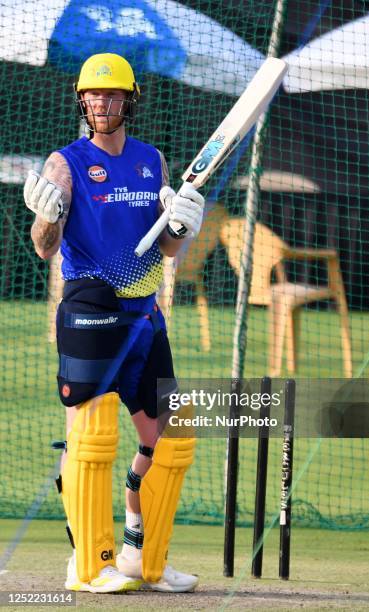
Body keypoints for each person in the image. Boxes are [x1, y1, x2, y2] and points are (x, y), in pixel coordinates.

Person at [24, 53, 204, 594]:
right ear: (82, 100)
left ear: (129, 99)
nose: (101, 103)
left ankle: (145, 562)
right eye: (93, 95)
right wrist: (47, 216)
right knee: (94, 431)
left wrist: (180, 225)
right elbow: (43, 249)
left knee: (174, 437)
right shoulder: (66, 163)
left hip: (146, 314)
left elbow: (167, 249)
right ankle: (90, 566)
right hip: (89, 306)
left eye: (111, 95)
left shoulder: (153, 161)